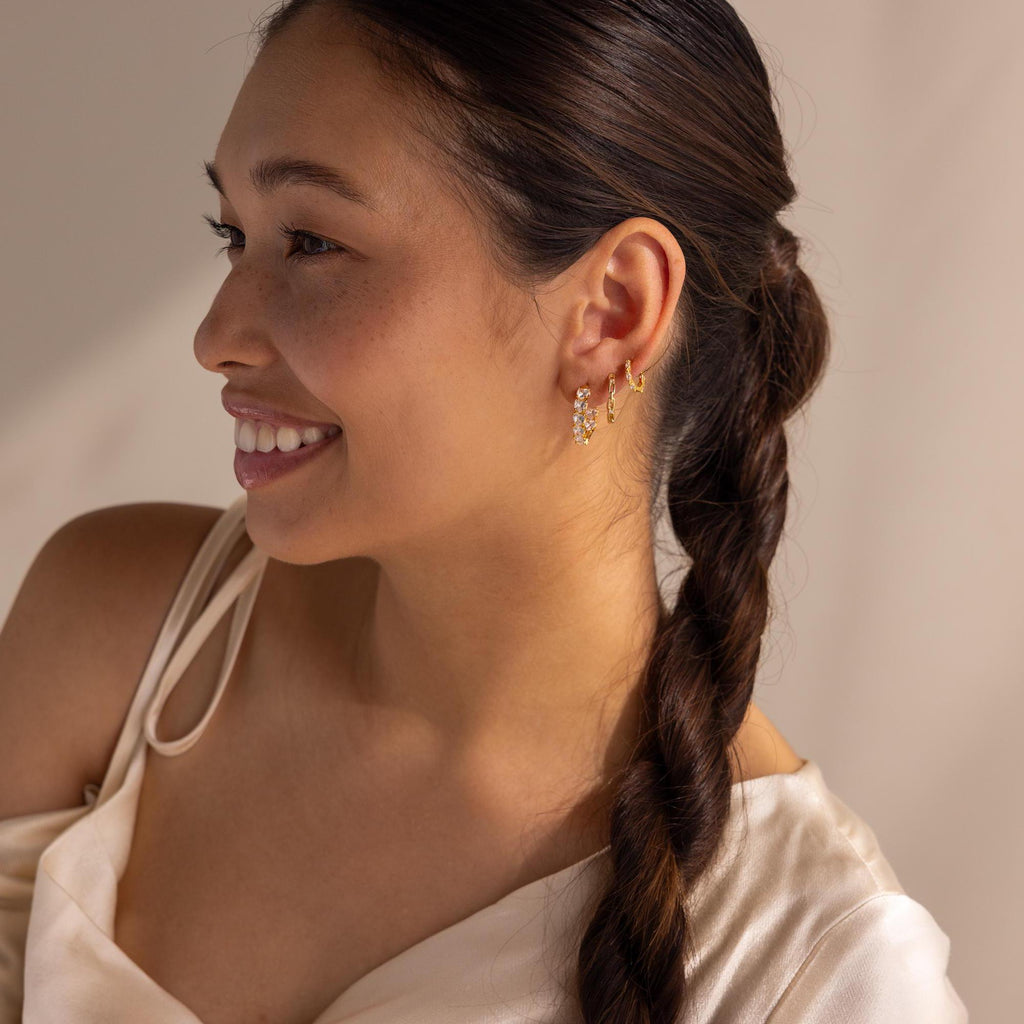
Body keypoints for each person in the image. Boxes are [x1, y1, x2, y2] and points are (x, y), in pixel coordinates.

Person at [0, 1, 969, 1021]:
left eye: (312, 242)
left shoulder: (814, 966)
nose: (217, 336)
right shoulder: (119, 636)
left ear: (612, 310)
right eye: (232, 235)